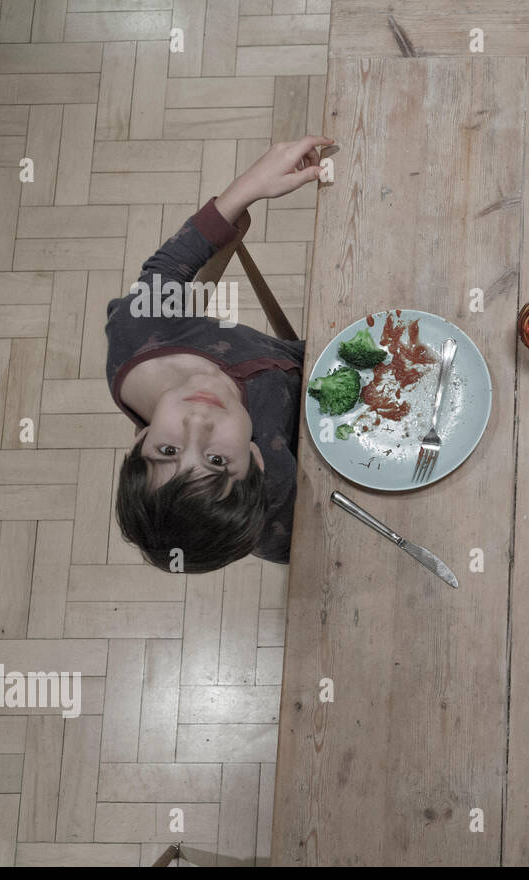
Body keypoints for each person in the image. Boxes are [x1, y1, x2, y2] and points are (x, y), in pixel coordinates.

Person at [106, 135, 335, 572]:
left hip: (313, 352)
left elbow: (167, 268)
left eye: (168, 451)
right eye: (215, 461)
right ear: (256, 463)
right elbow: (297, 544)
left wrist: (250, 186)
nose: (198, 425)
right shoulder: (276, 481)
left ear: (139, 442)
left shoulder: (137, 333)